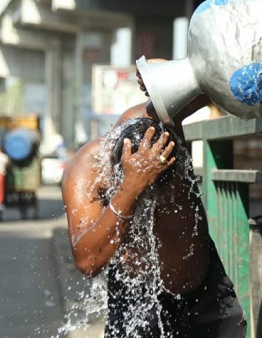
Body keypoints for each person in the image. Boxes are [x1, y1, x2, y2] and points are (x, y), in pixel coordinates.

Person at [62, 79, 247, 337]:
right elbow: (87, 261)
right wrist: (130, 190)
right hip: (137, 295)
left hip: (205, 293)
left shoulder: (162, 115)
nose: (155, 202)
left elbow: (222, 79)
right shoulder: (86, 170)